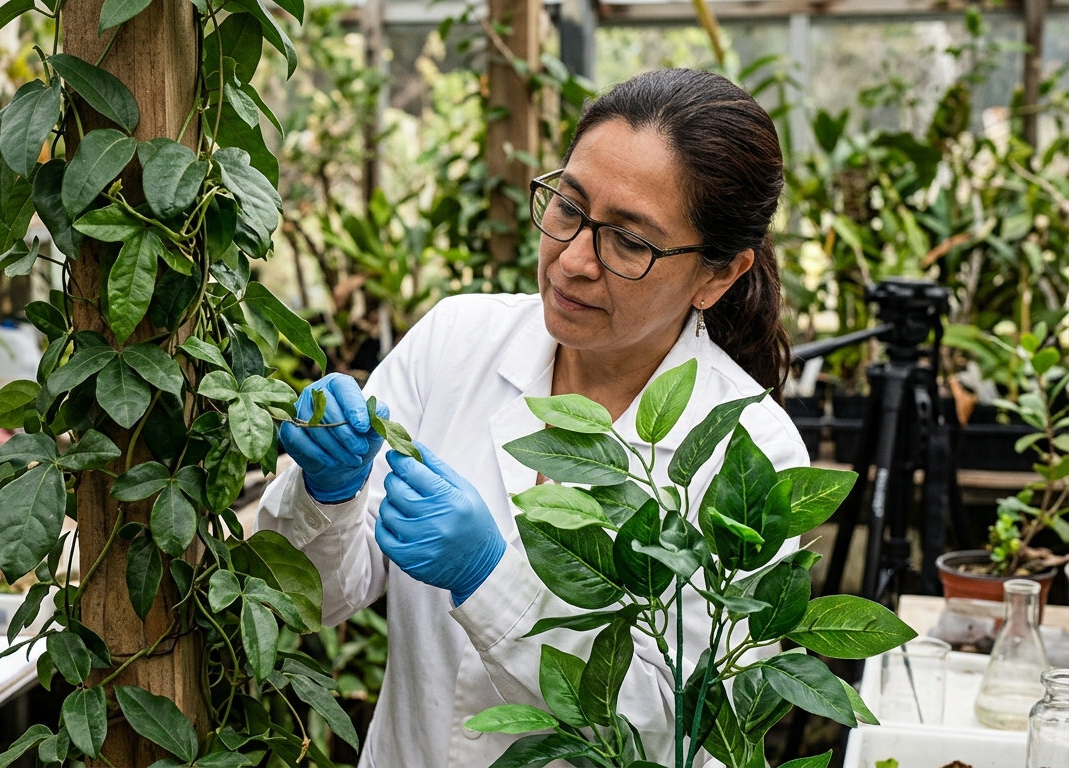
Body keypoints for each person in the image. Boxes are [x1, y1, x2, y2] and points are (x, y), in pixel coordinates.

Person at [256, 68, 808, 767]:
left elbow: (684, 735)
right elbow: (308, 599)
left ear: (718, 274)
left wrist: (491, 580)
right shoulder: (457, 342)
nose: (572, 261)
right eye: (569, 207)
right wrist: (325, 496)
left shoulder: (749, 454)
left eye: (629, 242)